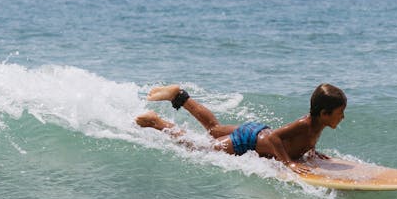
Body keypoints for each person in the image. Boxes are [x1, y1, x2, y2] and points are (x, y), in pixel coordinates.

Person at [135, 83, 347, 172]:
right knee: (199, 149)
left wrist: (310, 151)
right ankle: (157, 122)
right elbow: (274, 139)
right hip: (248, 140)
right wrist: (288, 163)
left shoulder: (315, 125)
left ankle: (179, 96)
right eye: (340, 113)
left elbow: (298, 141)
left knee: (214, 128)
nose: (343, 118)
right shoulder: (305, 124)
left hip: (256, 131)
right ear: (324, 114)